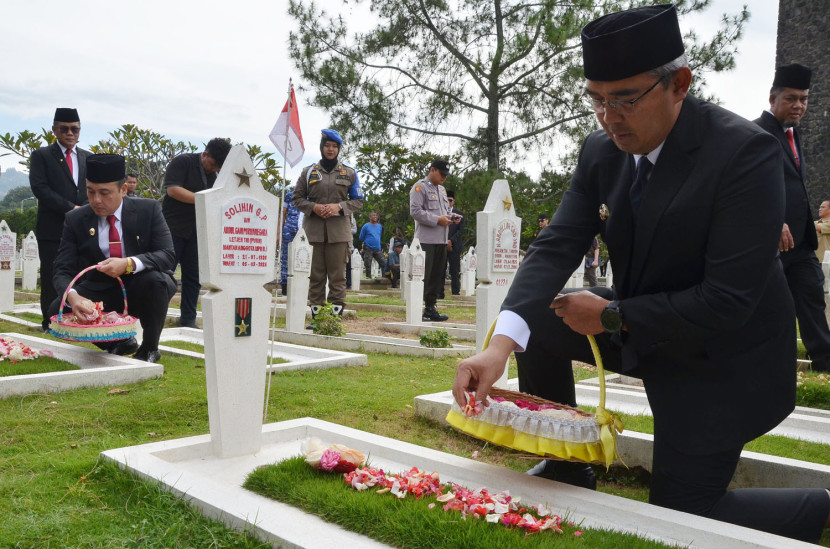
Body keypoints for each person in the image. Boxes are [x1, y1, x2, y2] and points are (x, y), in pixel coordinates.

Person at [451, 5, 830, 543]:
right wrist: (499, 347)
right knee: (539, 315)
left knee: (678, 521)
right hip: (646, 326)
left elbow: (727, 301)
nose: (610, 117)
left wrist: (609, 315)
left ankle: (822, 507)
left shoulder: (745, 153)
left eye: (625, 98)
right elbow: (558, 243)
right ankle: (569, 465)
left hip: (724, 360)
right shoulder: (601, 152)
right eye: (596, 99)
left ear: (679, 83)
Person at [49, 154, 177, 363]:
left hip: (141, 284)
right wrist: (73, 296)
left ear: (123, 189)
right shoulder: (76, 219)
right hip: (101, 288)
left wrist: (128, 264)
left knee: (156, 280)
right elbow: (62, 269)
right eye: (91, 192)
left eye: (104, 193)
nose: (96, 200)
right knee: (58, 307)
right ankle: (118, 342)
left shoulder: (148, 210)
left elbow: (167, 255)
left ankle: (150, 348)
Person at [754, 64, 830, 373]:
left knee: (812, 296)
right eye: (791, 98)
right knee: (770, 310)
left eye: (804, 99)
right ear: (773, 98)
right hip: (770, 243)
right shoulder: (755, 133)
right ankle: (763, 366)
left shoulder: (794, 134)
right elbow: (748, 186)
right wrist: (773, 220)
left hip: (801, 244)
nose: (798, 105)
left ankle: (825, 365)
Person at [29, 108, 91, 331]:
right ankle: (49, 321)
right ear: (54, 129)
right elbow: (40, 189)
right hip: (52, 229)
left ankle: (76, 318)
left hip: (82, 229)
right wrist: (71, 209)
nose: (70, 133)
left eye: (74, 129)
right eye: (64, 128)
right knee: (51, 276)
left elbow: (91, 190)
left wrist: (84, 211)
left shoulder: (87, 157)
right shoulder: (42, 156)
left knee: (81, 276)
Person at [293, 129, 364, 320]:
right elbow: (297, 198)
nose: (330, 149)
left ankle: (333, 320)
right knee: (315, 277)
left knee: (337, 278)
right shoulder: (308, 172)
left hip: (339, 233)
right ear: (321, 147)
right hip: (313, 232)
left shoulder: (349, 173)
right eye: (327, 145)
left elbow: (359, 200)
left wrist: (338, 207)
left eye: (334, 146)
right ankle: (317, 319)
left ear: (339, 149)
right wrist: (314, 207)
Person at [162, 138, 231, 329]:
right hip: (172, 229)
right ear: (204, 154)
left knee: (193, 278)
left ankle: (188, 320)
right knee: (165, 275)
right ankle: (156, 314)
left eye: (218, 167)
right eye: (212, 164)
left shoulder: (216, 176)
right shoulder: (183, 162)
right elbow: (173, 190)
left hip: (197, 231)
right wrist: (205, 200)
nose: (213, 169)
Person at [410, 159, 461, 321]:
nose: (444, 178)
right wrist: (437, 220)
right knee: (424, 275)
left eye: (446, 175)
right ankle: (417, 308)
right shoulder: (420, 187)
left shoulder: (442, 190)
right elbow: (415, 212)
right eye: (442, 174)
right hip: (425, 240)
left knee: (436, 276)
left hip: (441, 240)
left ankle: (430, 308)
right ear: (432, 170)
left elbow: (444, 211)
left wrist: (452, 217)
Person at [279, 190, 301, 296]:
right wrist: (279, 232)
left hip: (304, 230)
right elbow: (283, 213)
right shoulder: (289, 195)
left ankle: (301, 286)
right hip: (289, 230)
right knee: (286, 258)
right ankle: (285, 287)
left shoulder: (311, 194)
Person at [445, 190, 465, 296]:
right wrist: (445, 241)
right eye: (446, 200)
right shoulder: (441, 213)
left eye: (450, 200)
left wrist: (451, 241)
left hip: (455, 245)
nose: (448, 202)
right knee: (440, 270)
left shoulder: (459, 214)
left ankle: (455, 292)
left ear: (453, 201)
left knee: (454, 270)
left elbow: (461, 230)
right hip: (442, 244)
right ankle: (439, 293)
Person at [359, 211, 385, 278]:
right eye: (373, 215)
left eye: (376, 215)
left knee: (383, 263)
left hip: (377, 248)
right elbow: (361, 237)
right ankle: (368, 278)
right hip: (368, 247)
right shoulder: (366, 226)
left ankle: (384, 277)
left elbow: (379, 236)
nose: (375, 217)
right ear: (370, 217)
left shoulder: (379, 226)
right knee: (368, 264)